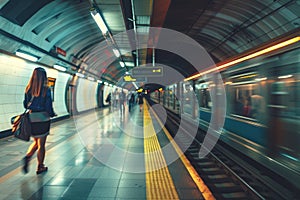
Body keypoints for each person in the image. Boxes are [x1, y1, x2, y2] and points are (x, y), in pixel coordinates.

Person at [22, 67, 56, 175]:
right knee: (41, 144)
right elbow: (48, 105)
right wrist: (51, 114)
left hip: (32, 117)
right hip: (43, 117)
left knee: (36, 141)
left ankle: (28, 157)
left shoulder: (28, 89)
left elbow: (25, 104)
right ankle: (40, 166)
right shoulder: (47, 89)